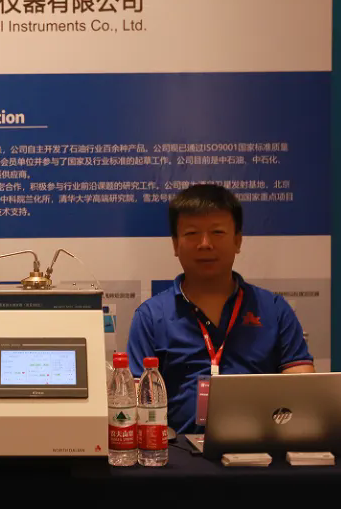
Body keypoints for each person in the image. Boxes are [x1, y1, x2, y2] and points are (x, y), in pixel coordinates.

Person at [126, 184, 315, 434]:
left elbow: (304, 389)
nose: (205, 244)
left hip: (260, 447)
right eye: (192, 233)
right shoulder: (151, 316)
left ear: (237, 240)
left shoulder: (274, 309)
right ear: (175, 244)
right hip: (177, 451)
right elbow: (136, 402)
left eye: (217, 232)